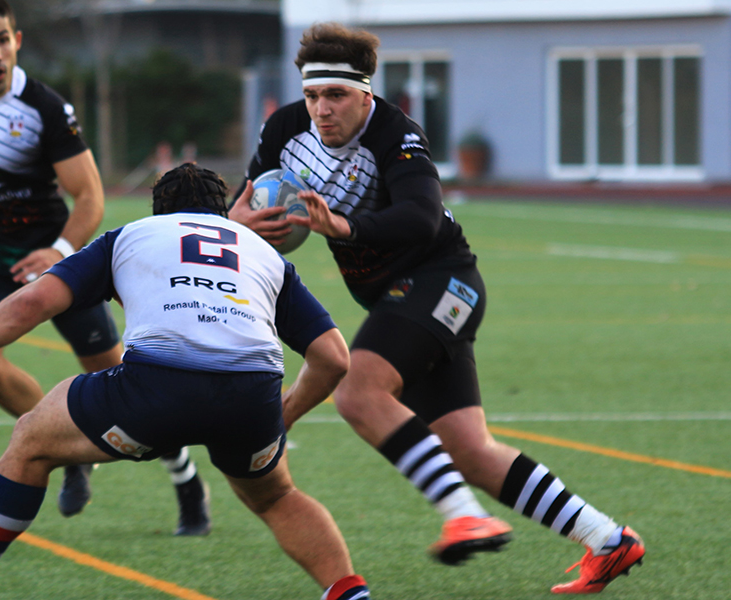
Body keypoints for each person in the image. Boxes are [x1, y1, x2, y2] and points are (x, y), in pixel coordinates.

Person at [229, 23, 644, 594]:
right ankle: (607, 539)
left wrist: (342, 226)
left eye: (336, 95)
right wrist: (237, 223)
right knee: (470, 450)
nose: (322, 109)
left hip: (443, 280)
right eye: (312, 95)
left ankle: (464, 516)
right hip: (399, 300)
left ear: (365, 95)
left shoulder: (397, 134)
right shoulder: (284, 129)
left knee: (359, 391)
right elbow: (246, 202)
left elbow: (422, 216)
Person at [0, 164, 370, 600]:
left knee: (33, 439)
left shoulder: (132, 235)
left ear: (158, 210)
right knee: (277, 497)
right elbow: (333, 357)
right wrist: (282, 416)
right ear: (222, 212)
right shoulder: (264, 255)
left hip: (156, 390)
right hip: (252, 394)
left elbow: (33, 303)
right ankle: (350, 595)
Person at [0, 0, 209, 534]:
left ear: (18, 41)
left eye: (4, 40)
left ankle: (186, 480)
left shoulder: (44, 108)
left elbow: (89, 197)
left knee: (125, 383)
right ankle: (66, 445)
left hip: (62, 270)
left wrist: (58, 253)